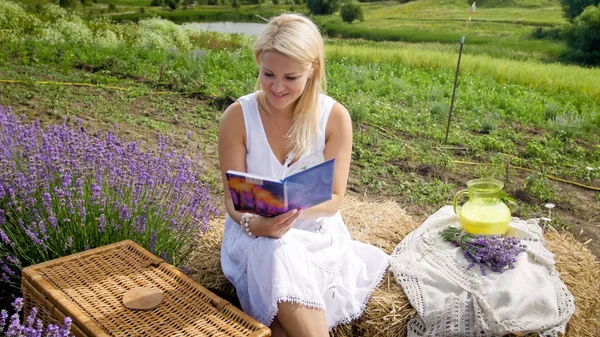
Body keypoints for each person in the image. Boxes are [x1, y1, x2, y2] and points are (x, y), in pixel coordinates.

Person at [218, 13, 390, 337]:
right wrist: (258, 225)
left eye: (291, 77)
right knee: (270, 249)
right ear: (258, 62)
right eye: (268, 73)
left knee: (279, 265)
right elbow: (233, 199)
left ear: (313, 69)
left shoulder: (334, 118)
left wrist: (288, 216)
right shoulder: (237, 117)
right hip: (251, 231)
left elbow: (335, 198)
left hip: (314, 235)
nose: (277, 87)